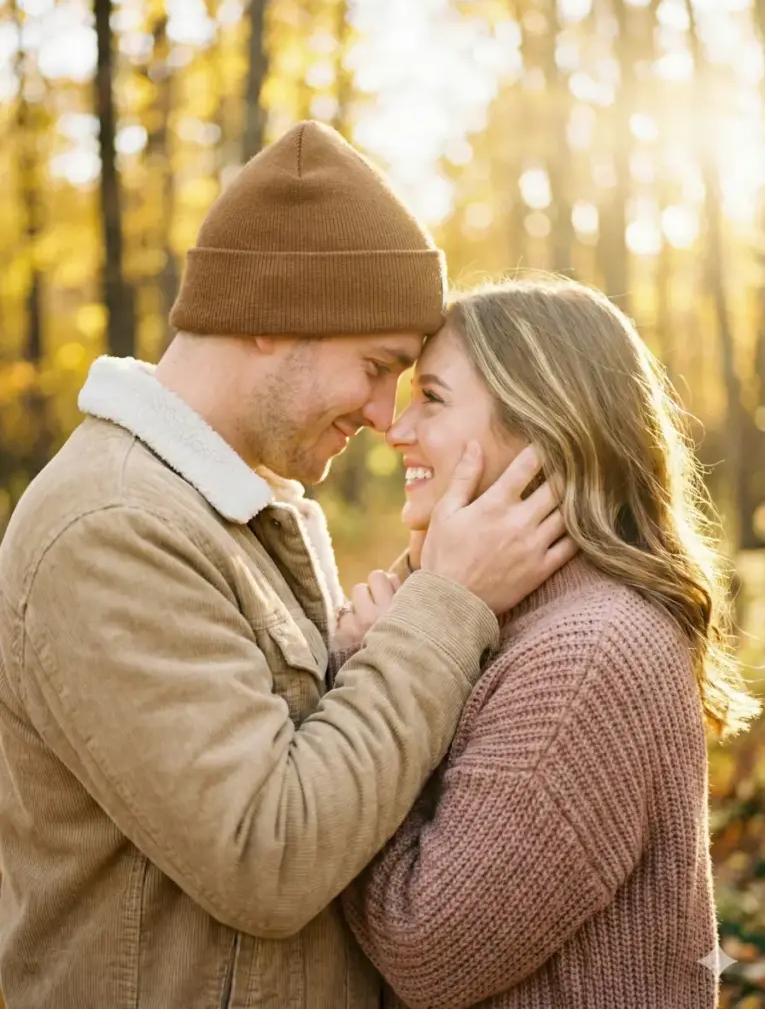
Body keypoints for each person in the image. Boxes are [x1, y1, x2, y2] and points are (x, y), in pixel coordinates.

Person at [0, 123, 574, 1009]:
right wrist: (446, 606)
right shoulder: (113, 528)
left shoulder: (229, 509)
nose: (383, 415)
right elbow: (266, 857)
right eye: (375, 367)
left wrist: (363, 652)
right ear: (271, 316)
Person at [340, 278, 761, 1009]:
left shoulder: (590, 654)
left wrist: (364, 673)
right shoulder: (508, 620)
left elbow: (425, 949)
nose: (396, 429)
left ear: (543, 426)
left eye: (432, 398)